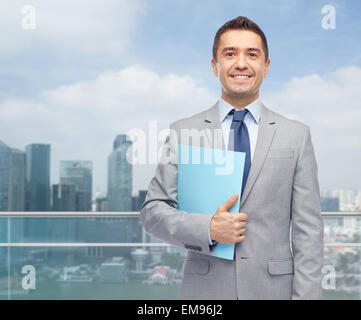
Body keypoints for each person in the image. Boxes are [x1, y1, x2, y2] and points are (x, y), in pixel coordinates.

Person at [140, 16, 324, 300]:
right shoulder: (183, 132)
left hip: (273, 291)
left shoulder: (296, 136)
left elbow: (308, 234)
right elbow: (153, 211)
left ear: (266, 66)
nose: (241, 63)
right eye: (230, 54)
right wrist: (208, 229)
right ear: (215, 66)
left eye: (252, 54)